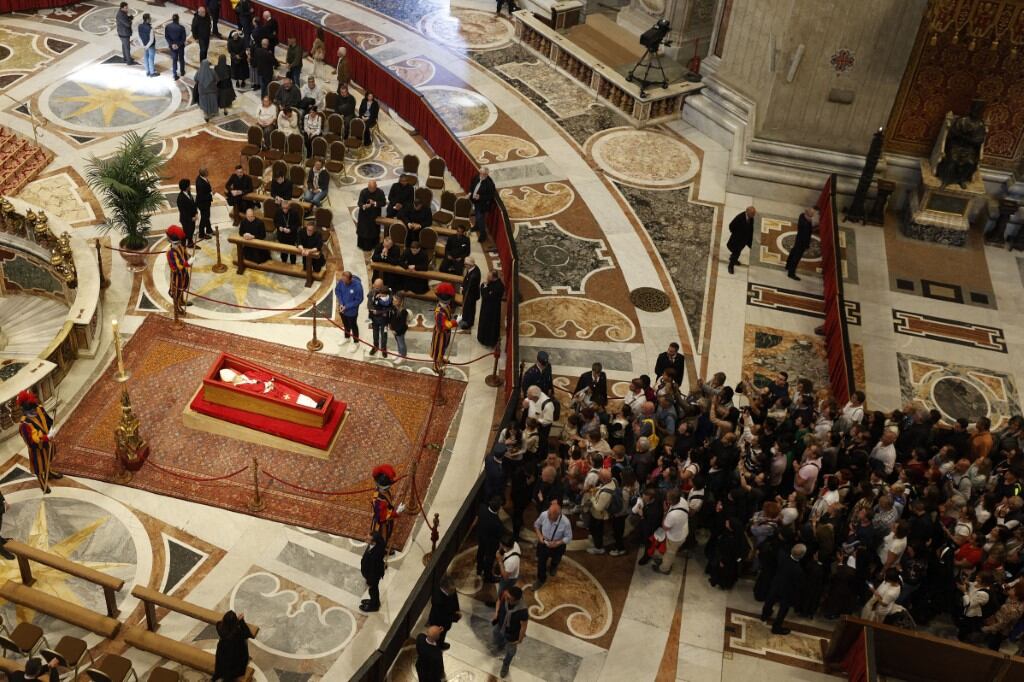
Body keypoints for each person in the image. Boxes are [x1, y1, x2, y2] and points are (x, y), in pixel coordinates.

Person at [17, 391, 62, 494]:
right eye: (31, 411)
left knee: (49, 458)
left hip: (48, 442)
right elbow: (31, 442)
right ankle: (42, 481)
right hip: (37, 449)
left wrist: (52, 428)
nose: (35, 412)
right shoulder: (24, 424)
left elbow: (48, 420)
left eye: (34, 409)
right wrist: (46, 437)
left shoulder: (39, 408)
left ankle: (49, 472)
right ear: (25, 411)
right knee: (40, 466)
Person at [760, 543, 806, 635]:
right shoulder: (799, 570)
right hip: (787, 591)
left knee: (770, 600)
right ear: (802, 556)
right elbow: (797, 585)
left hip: (776, 584)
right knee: (783, 609)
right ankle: (776, 627)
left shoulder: (783, 557)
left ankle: (765, 615)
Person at [533, 500, 572, 590]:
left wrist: (558, 543)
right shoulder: (544, 514)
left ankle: (553, 566)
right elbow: (536, 525)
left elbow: (568, 537)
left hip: (558, 545)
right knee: (541, 562)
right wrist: (539, 536)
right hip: (544, 542)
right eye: (549, 514)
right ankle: (541, 579)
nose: (549, 517)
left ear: (558, 515)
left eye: (551, 516)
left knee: (556, 558)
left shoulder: (566, 522)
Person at [491, 586, 528, 679]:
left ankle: (506, 665)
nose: (506, 599)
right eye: (507, 597)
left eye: (509, 599)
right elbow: (499, 601)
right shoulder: (505, 594)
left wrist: (520, 639)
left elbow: (524, 626)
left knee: (511, 652)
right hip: (500, 624)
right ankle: (501, 645)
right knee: (496, 635)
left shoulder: (523, 610)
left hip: (512, 633)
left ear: (516, 601)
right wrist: (496, 613)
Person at [212, 610, 252, 681]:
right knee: (242, 649)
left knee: (224, 662)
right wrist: (241, 621)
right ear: (235, 622)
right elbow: (248, 634)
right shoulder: (238, 633)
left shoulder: (219, 627)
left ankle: (218, 675)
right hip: (235, 658)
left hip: (222, 654)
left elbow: (222, 623)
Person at [428, 575, 461, 648]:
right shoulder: (438, 601)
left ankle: (441, 643)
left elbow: (454, 598)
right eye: (452, 590)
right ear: (445, 589)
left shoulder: (450, 589)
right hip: (439, 623)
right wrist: (456, 617)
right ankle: (439, 646)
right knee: (439, 636)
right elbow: (443, 617)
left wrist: (457, 609)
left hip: (446, 618)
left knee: (443, 634)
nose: (454, 591)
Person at [166, 225, 192, 317]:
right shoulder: (170, 252)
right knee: (177, 292)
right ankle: (177, 307)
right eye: (176, 243)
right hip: (177, 276)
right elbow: (175, 267)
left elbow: (185, 255)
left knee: (183, 288)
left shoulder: (180, 246)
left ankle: (181, 301)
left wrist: (189, 257)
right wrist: (187, 263)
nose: (178, 245)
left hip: (183, 273)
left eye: (179, 242)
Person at [786, 207, 817, 281]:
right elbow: (806, 237)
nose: (812, 217)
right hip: (801, 243)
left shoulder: (802, 216)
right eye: (811, 215)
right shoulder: (806, 224)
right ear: (808, 215)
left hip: (798, 239)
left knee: (793, 252)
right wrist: (806, 245)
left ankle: (787, 265)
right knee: (796, 258)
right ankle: (791, 273)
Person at [477, 496, 504, 581]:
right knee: (489, 559)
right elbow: (499, 536)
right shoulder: (497, 523)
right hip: (491, 543)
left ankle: (479, 569)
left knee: (480, 553)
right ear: (499, 508)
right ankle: (488, 576)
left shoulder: (482, 508)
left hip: (481, 537)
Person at [360, 531, 387, 612]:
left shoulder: (376, 554)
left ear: (374, 542)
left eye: (368, 539)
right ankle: (373, 601)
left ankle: (374, 606)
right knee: (373, 590)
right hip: (370, 573)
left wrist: (370, 581)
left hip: (373, 576)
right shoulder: (374, 545)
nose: (365, 538)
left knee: (373, 590)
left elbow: (373, 570)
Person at [477, 269, 504, 347]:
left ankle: (489, 342)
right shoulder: (491, 282)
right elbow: (484, 289)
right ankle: (481, 338)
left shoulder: (499, 286)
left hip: (492, 311)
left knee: (490, 326)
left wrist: (485, 288)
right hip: (486, 308)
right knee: (484, 323)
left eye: (489, 276)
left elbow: (486, 296)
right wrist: (485, 288)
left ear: (493, 277)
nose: (487, 278)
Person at [335, 270, 363, 344]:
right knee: (345, 324)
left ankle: (356, 342)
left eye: (345, 281)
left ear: (351, 279)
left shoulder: (357, 286)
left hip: (352, 312)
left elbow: (359, 300)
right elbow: (337, 291)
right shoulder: (342, 281)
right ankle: (347, 337)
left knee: (353, 326)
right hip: (342, 309)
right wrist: (341, 303)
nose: (343, 283)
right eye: (343, 280)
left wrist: (347, 306)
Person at [356, 181, 386, 251]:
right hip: (364, 216)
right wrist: (364, 206)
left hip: (375, 215)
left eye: (373, 188)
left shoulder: (380, 192)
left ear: (376, 186)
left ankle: (374, 245)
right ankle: (363, 246)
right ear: (368, 186)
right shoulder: (363, 192)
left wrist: (374, 203)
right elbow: (359, 203)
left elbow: (383, 203)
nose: (371, 190)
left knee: (374, 232)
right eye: (370, 188)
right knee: (364, 231)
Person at [468, 167, 496, 242]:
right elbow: (472, 185)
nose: (482, 175)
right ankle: (476, 226)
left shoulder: (489, 184)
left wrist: (480, 197)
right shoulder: (476, 177)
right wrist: (470, 192)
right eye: (481, 173)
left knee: (480, 219)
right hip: (475, 201)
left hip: (482, 204)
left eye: (484, 174)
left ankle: (483, 235)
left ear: (487, 174)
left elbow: (490, 196)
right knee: (477, 215)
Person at [727, 206, 756, 274]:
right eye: (753, 213)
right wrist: (736, 234)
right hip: (737, 239)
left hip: (744, 240)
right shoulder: (739, 218)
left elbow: (750, 229)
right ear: (747, 212)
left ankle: (733, 259)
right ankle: (731, 265)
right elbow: (731, 226)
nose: (754, 215)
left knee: (738, 251)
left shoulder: (751, 218)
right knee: (736, 252)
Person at [367, 279, 393, 357]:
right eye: (375, 286)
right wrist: (373, 310)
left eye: (378, 288)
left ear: (382, 286)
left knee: (384, 334)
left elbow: (390, 307)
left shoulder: (388, 293)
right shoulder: (372, 292)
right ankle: (375, 346)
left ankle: (383, 349)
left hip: (384, 319)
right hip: (374, 318)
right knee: (375, 334)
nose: (376, 289)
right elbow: (369, 305)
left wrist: (379, 312)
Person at [459, 257, 481, 330]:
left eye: (466, 264)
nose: (465, 266)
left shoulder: (474, 275)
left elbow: (469, 288)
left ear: (470, 265)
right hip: (468, 293)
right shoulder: (471, 268)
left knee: (470, 309)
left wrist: (463, 290)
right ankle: (465, 319)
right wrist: (462, 286)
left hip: (471, 295)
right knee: (466, 308)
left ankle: (468, 323)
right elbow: (466, 278)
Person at [176, 178, 198, 247]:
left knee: (191, 231)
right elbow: (183, 212)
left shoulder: (189, 193)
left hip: (192, 217)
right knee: (187, 233)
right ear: (186, 187)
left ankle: (190, 243)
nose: (190, 186)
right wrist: (191, 218)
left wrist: (196, 213)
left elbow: (193, 204)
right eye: (189, 185)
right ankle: (183, 246)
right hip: (186, 220)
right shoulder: (180, 198)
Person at [165, 14, 187, 80]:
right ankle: (182, 72)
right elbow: (183, 38)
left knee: (174, 60)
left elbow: (167, 37)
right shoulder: (181, 28)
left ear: (172, 19)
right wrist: (178, 45)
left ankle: (174, 74)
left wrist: (172, 44)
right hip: (180, 47)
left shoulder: (167, 26)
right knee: (181, 59)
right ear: (178, 19)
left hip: (172, 47)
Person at [195, 167, 213, 241]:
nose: (208, 171)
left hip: (205, 202)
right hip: (203, 203)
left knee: (206, 216)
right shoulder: (200, 183)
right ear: (204, 173)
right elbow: (202, 196)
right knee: (204, 218)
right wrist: (211, 194)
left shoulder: (201, 178)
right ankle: (201, 234)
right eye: (207, 171)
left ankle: (209, 230)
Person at [389, 292, 410, 360]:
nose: (393, 302)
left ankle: (403, 356)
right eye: (393, 300)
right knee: (398, 342)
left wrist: (396, 331)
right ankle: (399, 353)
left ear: (399, 301)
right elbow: (392, 318)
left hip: (400, 331)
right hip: (394, 329)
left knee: (401, 344)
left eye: (394, 300)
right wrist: (391, 327)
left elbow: (402, 324)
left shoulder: (403, 311)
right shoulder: (394, 308)